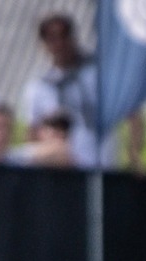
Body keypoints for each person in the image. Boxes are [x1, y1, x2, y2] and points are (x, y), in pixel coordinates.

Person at [19, 13, 98, 168]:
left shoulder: (96, 77)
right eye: (52, 39)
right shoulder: (38, 87)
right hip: (57, 171)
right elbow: (32, 132)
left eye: (64, 36)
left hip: (97, 164)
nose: (59, 44)